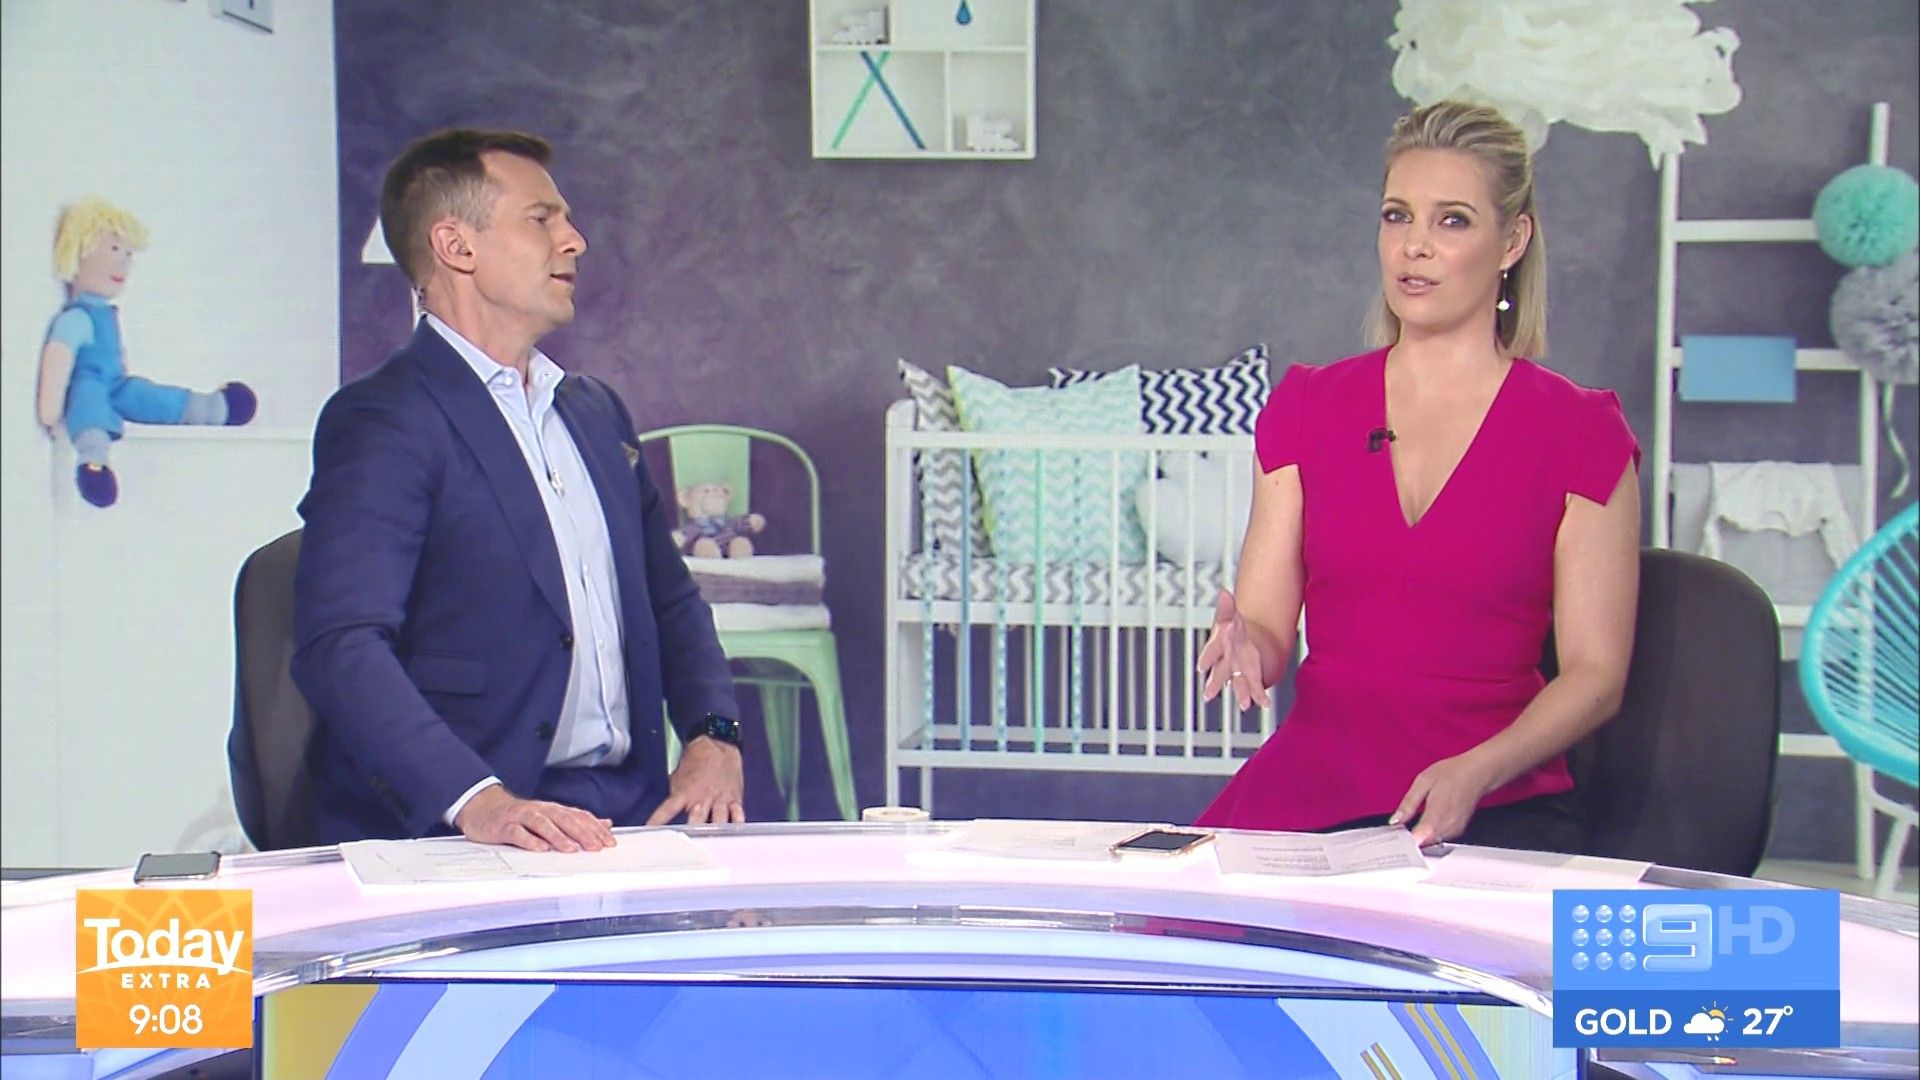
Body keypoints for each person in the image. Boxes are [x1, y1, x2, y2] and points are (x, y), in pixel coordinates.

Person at [1194, 101, 1641, 852]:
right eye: (1397, 216)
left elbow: (1596, 676)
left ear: (1512, 241)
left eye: (1452, 221)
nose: (1415, 246)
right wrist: (1247, 648)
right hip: (1313, 791)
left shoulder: (1581, 433)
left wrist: (1478, 770)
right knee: (1154, 916)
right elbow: (1268, 627)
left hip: (1493, 799)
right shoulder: (1307, 407)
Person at [290, 129, 745, 851]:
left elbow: (672, 600)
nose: (575, 241)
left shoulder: (595, 412)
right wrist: (479, 802)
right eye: (541, 219)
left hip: (628, 816)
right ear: (456, 246)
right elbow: (341, 646)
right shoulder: (384, 418)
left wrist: (714, 733)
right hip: (464, 830)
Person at [36, 198, 257, 508]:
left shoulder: (105, 314)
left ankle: (213, 408)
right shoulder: (76, 319)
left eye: (127, 254)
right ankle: (93, 462)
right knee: (88, 402)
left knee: (149, 396)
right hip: (92, 383)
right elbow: (59, 359)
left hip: (117, 383)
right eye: (114, 250)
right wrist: (50, 410)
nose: (123, 262)